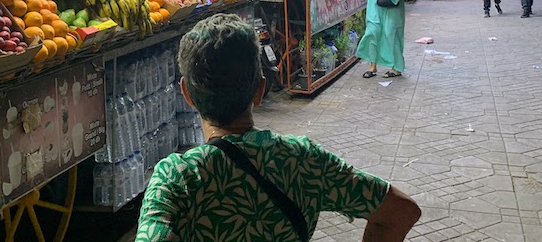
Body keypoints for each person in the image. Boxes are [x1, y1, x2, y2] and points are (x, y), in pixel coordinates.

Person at [136, 14, 421, 241]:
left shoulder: (176, 180)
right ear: (260, 90)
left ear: (187, 94)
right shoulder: (303, 160)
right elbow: (401, 210)